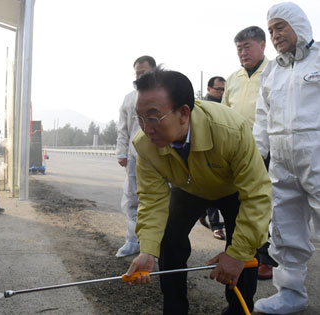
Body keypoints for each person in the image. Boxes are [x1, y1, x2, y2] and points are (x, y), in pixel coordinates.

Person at [124, 68, 272, 315]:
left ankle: (238, 308)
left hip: (233, 189)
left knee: (244, 251)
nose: (145, 128)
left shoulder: (230, 130)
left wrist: (237, 253)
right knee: (167, 240)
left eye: (153, 117)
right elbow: (151, 199)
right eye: (139, 118)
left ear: (183, 113)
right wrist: (147, 249)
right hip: (189, 187)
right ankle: (175, 309)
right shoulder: (144, 144)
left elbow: (257, 195)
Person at [252, 3, 320, 314]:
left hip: (316, 155)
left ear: (299, 26)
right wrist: (255, 157)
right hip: (282, 162)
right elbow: (261, 118)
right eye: (271, 30)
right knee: (284, 227)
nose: (276, 35)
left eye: (281, 27)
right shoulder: (272, 71)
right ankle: (291, 293)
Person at [222, 25, 275, 281]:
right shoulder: (233, 78)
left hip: (269, 149)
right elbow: (224, 114)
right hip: (238, 151)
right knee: (242, 203)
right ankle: (245, 252)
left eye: (248, 46)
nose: (243, 52)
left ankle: (266, 259)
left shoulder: (274, 72)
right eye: (239, 48)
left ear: (263, 45)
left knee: (265, 205)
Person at [115, 55, 156, 257]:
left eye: (144, 72)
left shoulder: (164, 94)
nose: (140, 75)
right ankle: (133, 240)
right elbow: (123, 128)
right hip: (134, 155)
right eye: (138, 73)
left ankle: (156, 243)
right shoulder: (130, 98)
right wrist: (121, 152)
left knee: (158, 198)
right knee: (132, 197)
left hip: (160, 155)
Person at [199, 76, 226, 241]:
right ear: (209, 89)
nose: (222, 93)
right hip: (207, 152)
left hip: (224, 152)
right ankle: (216, 226)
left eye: (224, 89)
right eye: (218, 89)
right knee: (211, 191)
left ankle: (201, 213)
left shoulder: (227, 104)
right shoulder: (202, 106)